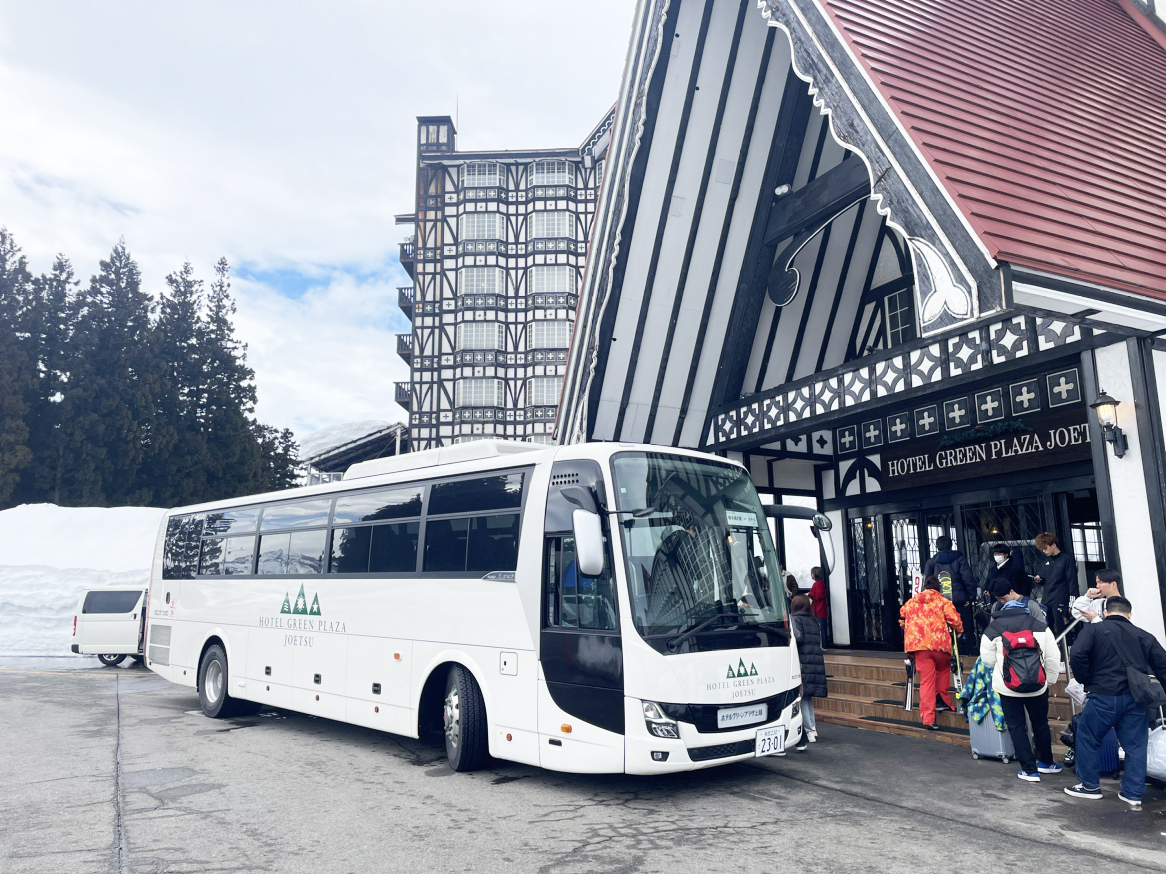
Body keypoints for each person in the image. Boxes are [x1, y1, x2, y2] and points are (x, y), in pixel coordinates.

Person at [1065, 596, 1166, 809]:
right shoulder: (1144, 635)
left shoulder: (1093, 630)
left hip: (1103, 695)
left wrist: (1086, 678)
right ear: (1129, 615)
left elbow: (1077, 654)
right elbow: (1163, 667)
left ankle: (1090, 786)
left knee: (1088, 736)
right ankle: (1133, 793)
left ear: (1104, 613)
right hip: (1136, 698)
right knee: (1136, 746)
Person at [980, 577, 1062, 782]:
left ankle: (1029, 770)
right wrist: (1049, 681)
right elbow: (1053, 657)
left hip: (1008, 687)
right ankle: (1046, 762)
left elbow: (987, 660)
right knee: (1040, 723)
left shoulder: (994, 628)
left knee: (1017, 726)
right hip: (1037, 685)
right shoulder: (1040, 625)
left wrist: (1003, 668)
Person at [900, 577, 963, 729]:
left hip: (920, 647)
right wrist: (960, 631)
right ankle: (942, 701)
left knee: (926, 681)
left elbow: (902, 618)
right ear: (938, 589)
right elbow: (955, 620)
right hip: (940, 645)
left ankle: (928, 719)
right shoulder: (943, 602)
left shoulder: (911, 602)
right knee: (942, 670)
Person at [923, 536, 976, 649]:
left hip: (940, 600)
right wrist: (970, 597)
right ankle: (968, 650)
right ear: (951, 545)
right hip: (960, 600)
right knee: (964, 626)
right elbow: (968, 579)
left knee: (942, 626)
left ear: (937, 546)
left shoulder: (932, 562)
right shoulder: (960, 559)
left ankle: (946, 649)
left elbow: (927, 582)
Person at [790, 594, 827, 750]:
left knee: (803, 697)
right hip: (815, 662)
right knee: (808, 698)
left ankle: (809, 731)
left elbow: (798, 638)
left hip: (803, 662)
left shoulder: (796, 619)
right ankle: (813, 728)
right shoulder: (813, 620)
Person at [1033, 532, 1077, 637]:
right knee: (1048, 629)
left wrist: (1072, 602)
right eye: (1042, 550)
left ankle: (1065, 651)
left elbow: (1072, 581)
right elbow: (1046, 579)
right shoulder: (1046, 561)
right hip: (1047, 600)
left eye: (1046, 548)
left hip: (1061, 600)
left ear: (1053, 545)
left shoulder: (1066, 560)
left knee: (1062, 630)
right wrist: (1039, 580)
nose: (1044, 552)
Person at [808, 566, 830, 647]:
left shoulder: (818, 584)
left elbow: (819, 595)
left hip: (819, 612)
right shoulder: (820, 584)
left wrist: (810, 594)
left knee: (821, 630)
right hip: (819, 611)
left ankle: (822, 646)